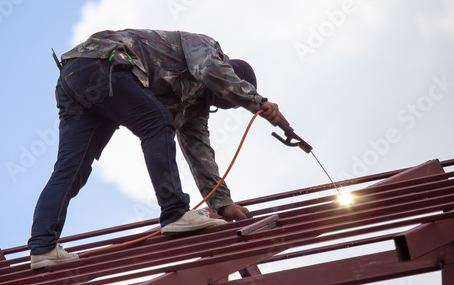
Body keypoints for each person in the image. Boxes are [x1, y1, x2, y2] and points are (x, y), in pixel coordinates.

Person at [28, 29, 284, 269]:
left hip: (76, 79)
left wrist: (222, 203)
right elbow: (211, 71)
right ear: (229, 75)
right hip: (101, 65)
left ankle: (43, 248)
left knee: (72, 169)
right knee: (159, 123)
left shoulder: (193, 105)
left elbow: (199, 152)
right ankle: (174, 213)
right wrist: (256, 101)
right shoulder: (206, 48)